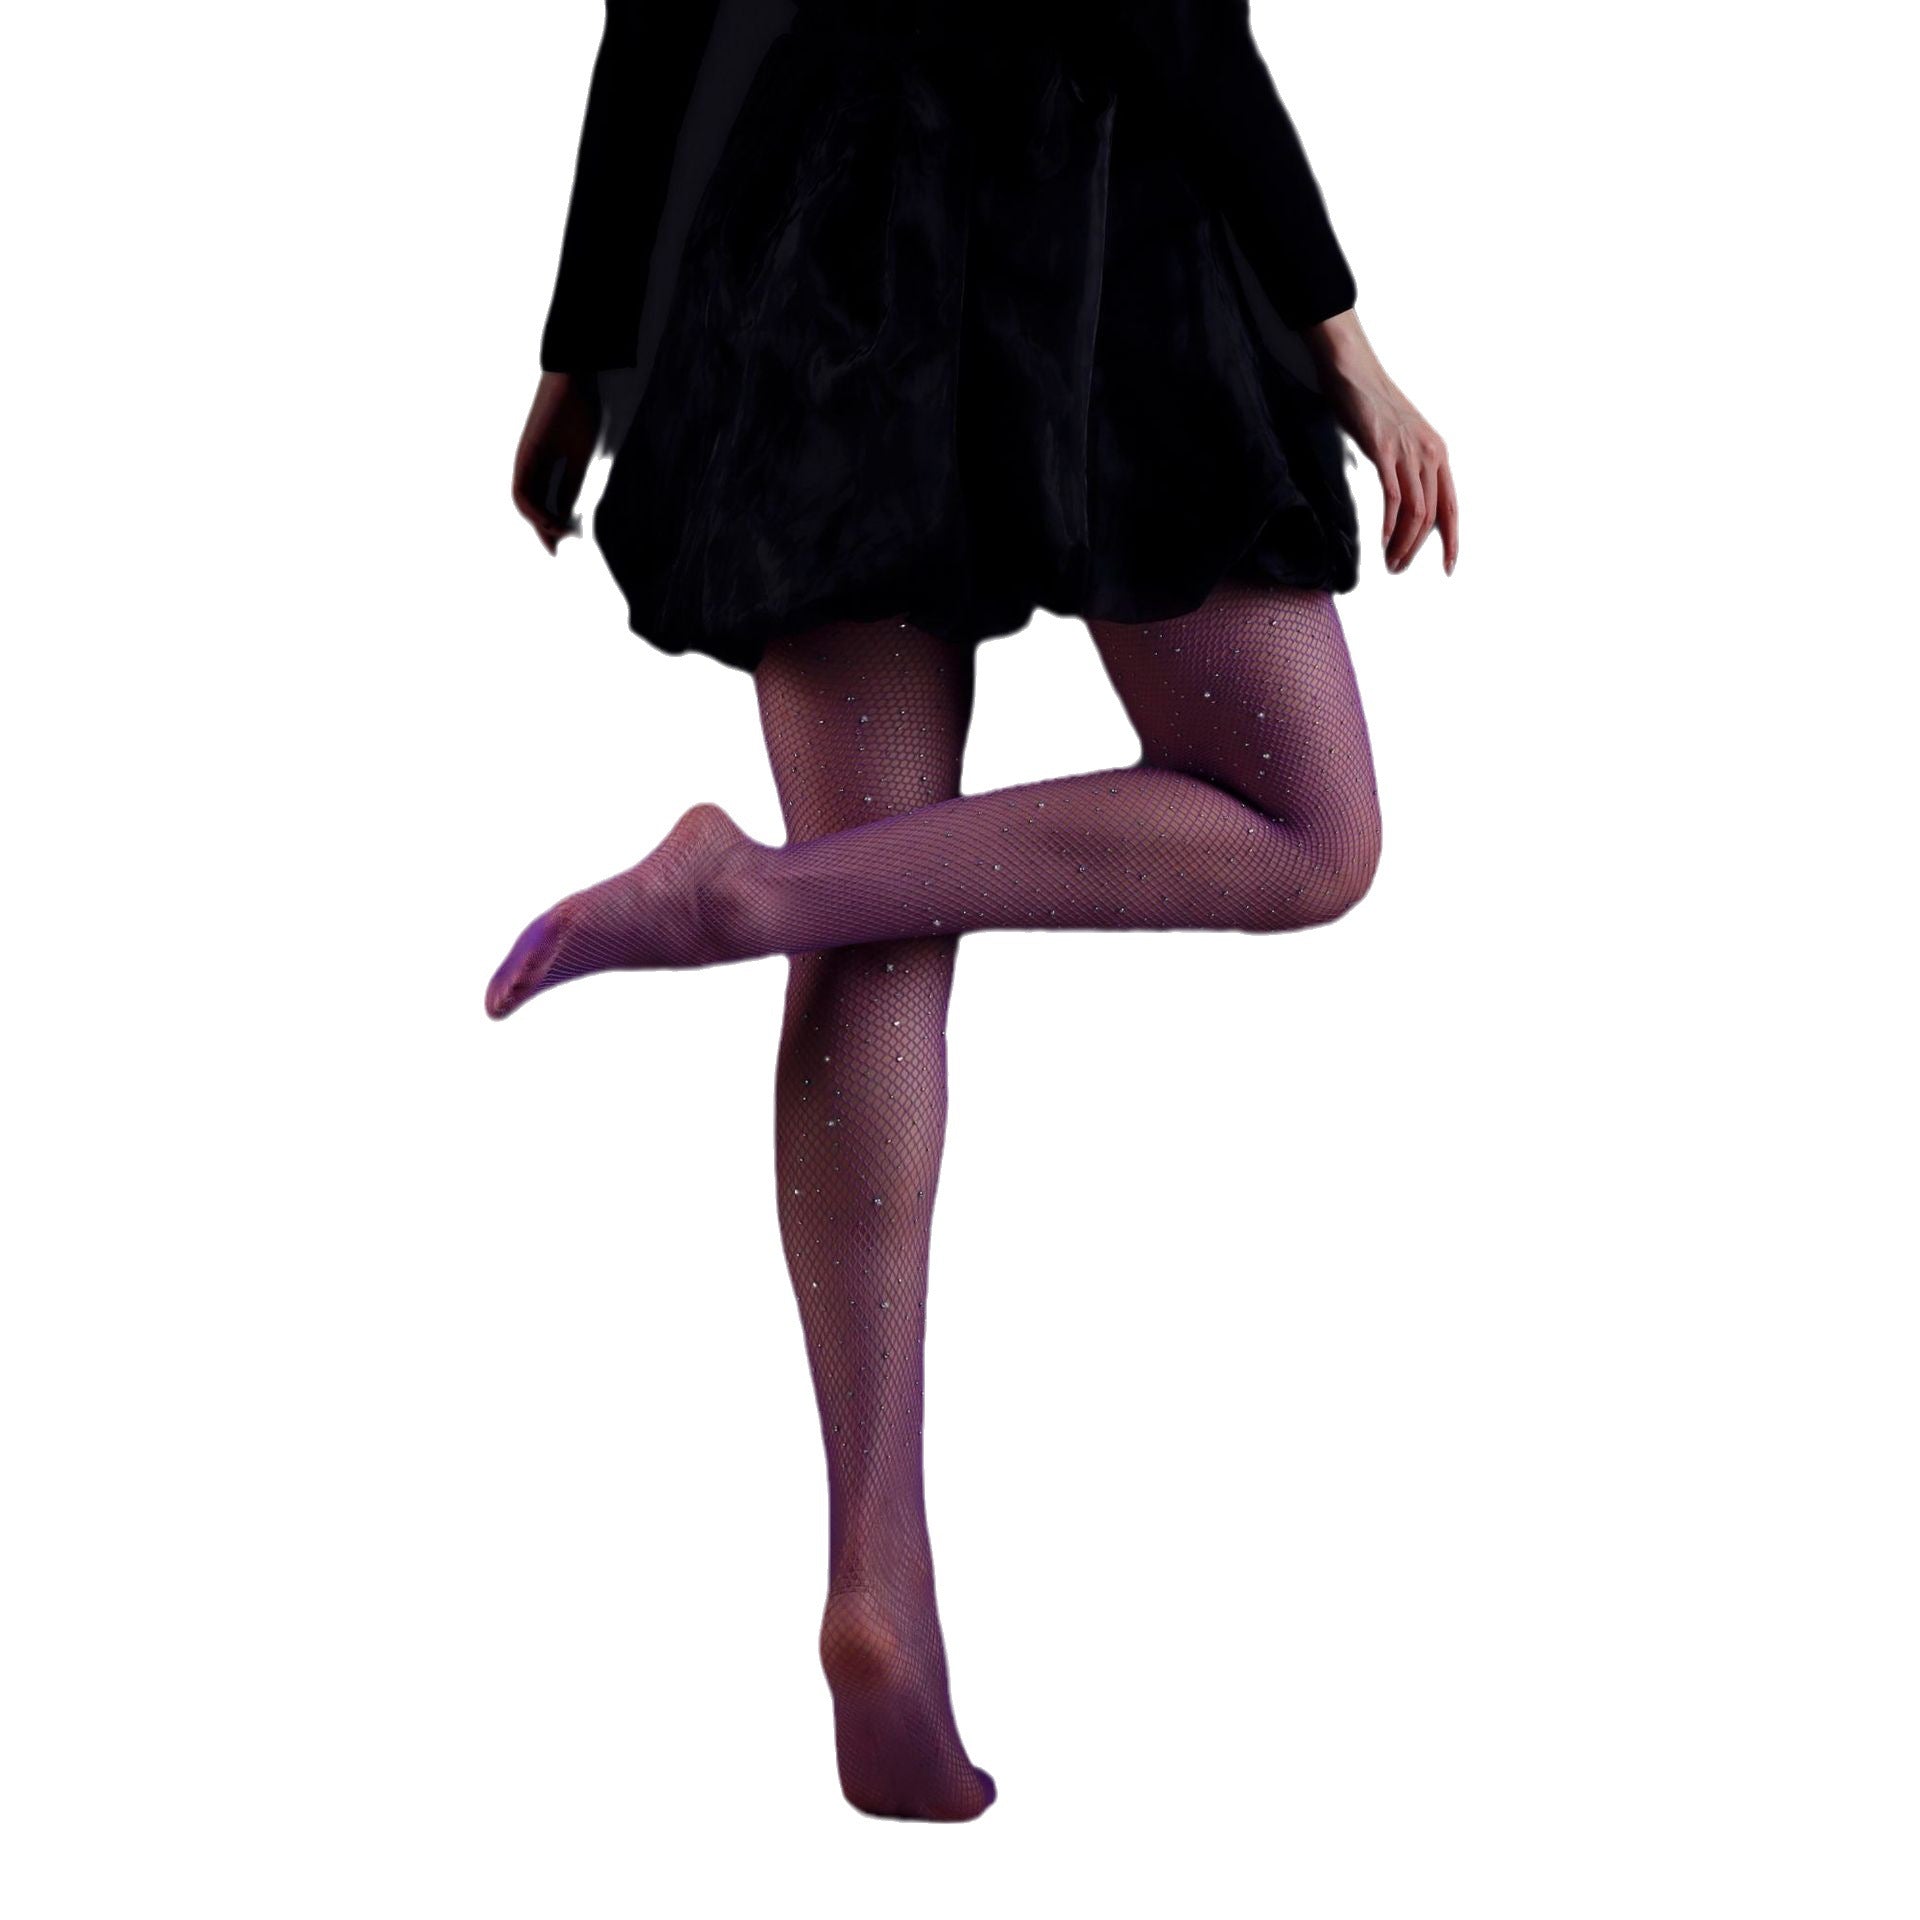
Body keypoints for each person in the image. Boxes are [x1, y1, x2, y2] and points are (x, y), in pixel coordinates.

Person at [490, 0, 1456, 1821]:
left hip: (812, 234)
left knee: (876, 938)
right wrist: (1346, 344)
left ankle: (877, 1580)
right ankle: (752, 896)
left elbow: (656, 12)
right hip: (1095, 228)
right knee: (1309, 828)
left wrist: (584, 348)